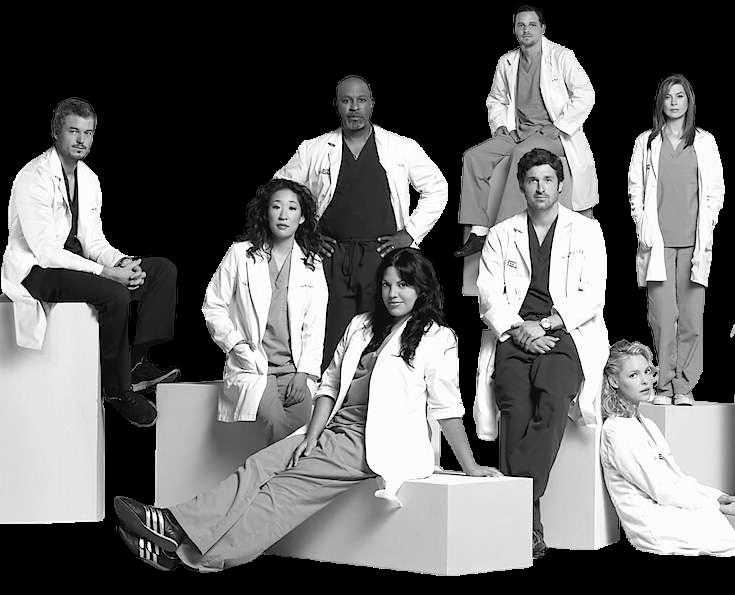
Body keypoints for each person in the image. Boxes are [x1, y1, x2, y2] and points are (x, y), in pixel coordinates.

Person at [114, 248, 501, 572]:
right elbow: (329, 385)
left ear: (422, 288)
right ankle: (174, 524)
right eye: (386, 284)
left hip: (372, 442)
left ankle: (186, 553)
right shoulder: (362, 326)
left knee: (281, 493)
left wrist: (470, 466)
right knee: (257, 466)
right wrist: (311, 436)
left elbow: (447, 407)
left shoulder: (437, 338)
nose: (393, 293)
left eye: (403, 284)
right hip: (332, 428)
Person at [1, 97, 179, 427]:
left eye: (89, 132)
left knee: (160, 272)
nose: (82, 140)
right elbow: (46, 251)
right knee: (114, 294)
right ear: (56, 132)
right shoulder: (33, 177)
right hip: (37, 271)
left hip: (77, 265)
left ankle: (136, 363)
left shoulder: (89, 179)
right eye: (74, 131)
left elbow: (93, 241)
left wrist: (122, 262)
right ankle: (117, 391)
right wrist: (107, 274)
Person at [474, 147, 608, 558]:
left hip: (564, 331)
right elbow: (488, 296)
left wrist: (546, 324)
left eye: (548, 179)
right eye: (532, 180)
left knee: (552, 398)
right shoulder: (502, 233)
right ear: (521, 186)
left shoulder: (587, 231)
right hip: (514, 333)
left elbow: (593, 295)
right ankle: (530, 530)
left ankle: (518, 507)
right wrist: (520, 329)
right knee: (514, 408)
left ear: (561, 185)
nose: (540, 187)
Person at [275, 75, 448, 367]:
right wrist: (306, 234)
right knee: (330, 339)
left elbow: (437, 187)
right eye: (346, 100)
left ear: (372, 105)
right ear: (336, 105)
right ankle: (329, 397)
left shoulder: (399, 146)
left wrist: (410, 233)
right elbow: (280, 189)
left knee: (381, 339)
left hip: (381, 257)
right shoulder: (314, 149)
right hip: (331, 257)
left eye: (361, 100)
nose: (354, 107)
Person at [454, 4, 597, 258]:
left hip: (554, 135)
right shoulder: (507, 61)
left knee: (521, 154)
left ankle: (502, 232)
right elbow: (496, 99)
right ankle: (478, 231)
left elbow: (586, 94)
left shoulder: (562, 56)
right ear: (514, 30)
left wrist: (559, 126)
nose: (526, 30)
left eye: (532, 25)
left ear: (543, 28)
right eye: (520, 25)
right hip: (518, 132)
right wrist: (500, 125)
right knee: (473, 157)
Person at [202, 179, 328, 442]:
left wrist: (304, 373)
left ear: (302, 217)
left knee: (303, 431)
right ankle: (277, 472)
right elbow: (213, 305)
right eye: (276, 207)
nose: (283, 215)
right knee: (275, 424)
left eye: (292, 208)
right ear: (265, 212)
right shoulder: (240, 255)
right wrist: (235, 343)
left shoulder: (311, 263)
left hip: (294, 369)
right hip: (255, 366)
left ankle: (268, 471)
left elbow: (315, 325)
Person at [628, 74, 725, 406]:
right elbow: (636, 189)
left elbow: (714, 191)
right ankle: (664, 383)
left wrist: (709, 223)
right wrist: (641, 223)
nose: (673, 102)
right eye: (668, 96)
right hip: (658, 243)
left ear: (688, 101)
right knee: (661, 317)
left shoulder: (704, 142)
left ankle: (684, 386)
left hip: (693, 243)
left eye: (679, 96)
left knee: (691, 318)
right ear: (661, 102)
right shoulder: (646, 142)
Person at [600, 339, 735, 556]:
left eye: (647, 372)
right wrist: (716, 507)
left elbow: (676, 478)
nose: (645, 381)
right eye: (633, 375)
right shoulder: (616, 431)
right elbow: (661, 489)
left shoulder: (644, 423)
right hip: (655, 524)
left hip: (671, 509)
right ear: (614, 381)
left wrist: (718, 497)